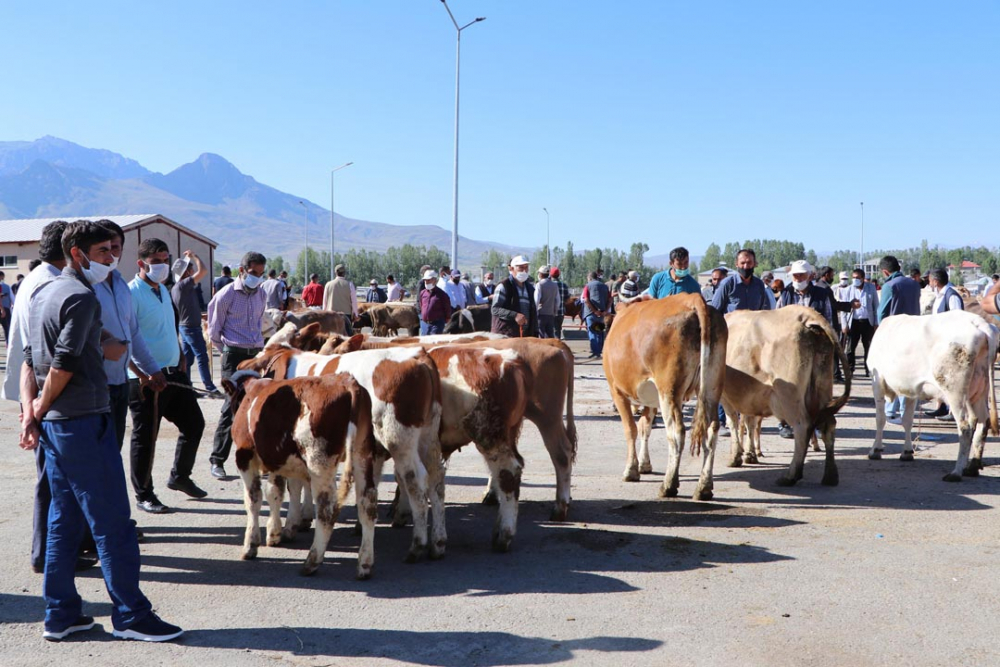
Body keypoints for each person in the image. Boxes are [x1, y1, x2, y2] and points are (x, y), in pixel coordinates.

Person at [19, 220, 183, 642]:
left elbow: (29, 358)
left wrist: (35, 411)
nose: (111, 260)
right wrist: (40, 405)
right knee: (113, 523)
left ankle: (61, 614)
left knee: (65, 520)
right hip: (82, 421)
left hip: (59, 427)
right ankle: (131, 614)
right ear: (77, 254)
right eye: (103, 253)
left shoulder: (42, 292)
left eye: (113, 252)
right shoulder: (81, 296)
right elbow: (64, 362)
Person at [3, 220, 100, 574]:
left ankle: (60, 548)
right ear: (71, 251)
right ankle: (47, 553)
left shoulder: (38, 280)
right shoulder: (51, 285)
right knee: (52, 481)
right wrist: (34, 410)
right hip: (48, 395)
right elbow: (43, 353)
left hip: (39, 392)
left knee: (55, 479)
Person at [128, 239, 208, 513]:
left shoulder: (163, 289)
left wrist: (182, 356)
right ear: (141, 263)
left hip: (175, 374)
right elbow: (126, 339)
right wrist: (142, 373)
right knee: (146, 437)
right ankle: (144, 494)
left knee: (194, 424)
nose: (162, 266)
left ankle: (179, 476)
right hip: (148, 380)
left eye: (165, 259)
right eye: (156, 261)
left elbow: (169, 327)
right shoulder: (131, 294)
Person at [207, 251, 267, 479]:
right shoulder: (226, 295)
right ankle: (217, 460)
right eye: (253, 273)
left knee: (259, 406)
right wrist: (227, 353)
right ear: (242, 271)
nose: (257, 278)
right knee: (231, 406)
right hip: (234, 355)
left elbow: (260, 322)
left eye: (260, 274)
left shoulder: (260, 294)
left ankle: (258, 458)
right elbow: (214, 331)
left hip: (256, 355)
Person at [877, 255, 921, 423]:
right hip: (915, 332)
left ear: (885, 271)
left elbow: (882, 313)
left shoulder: (889, 285)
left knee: (893, 372)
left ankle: (891, 409)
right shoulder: (914, 284)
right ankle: (905, 409)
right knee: (909, 373)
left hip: (896, 334)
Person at [170, 250, 219, 394]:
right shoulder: (184, 285)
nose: (193, 271)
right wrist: (195, 256)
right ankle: (210, 387)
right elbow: (203, 270)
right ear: (186, 272)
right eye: (190, 269)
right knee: (202, 357)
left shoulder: (176, 287)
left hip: (185, 326)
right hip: (191, 327)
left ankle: (187, 387)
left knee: (188, 359)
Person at [924, 268, 965, 421]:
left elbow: (959, 320)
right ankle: (941, 407)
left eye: (930, 281)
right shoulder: (940, 295)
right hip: (940, 343)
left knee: (951, 379)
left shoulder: (951, 296)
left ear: (935, 281)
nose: (929, 284)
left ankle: (952, 411)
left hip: (950, 344)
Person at [840, 269, 878, 378]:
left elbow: (876, 305)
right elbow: (844, 308)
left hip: (867, 322)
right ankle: (849, 370)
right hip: (853, 322)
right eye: (854, 277)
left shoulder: (871, 288)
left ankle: (868, 370)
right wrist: (844, 325)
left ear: (862, 278)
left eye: (857, 278)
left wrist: (876, 322)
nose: (855, 280)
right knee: (850, 348)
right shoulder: (848, 290)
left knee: (868, 347)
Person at [492, 255, 538, 338]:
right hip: (506, 335)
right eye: (520, 268)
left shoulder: (530, 289)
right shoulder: (504, 286)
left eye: (526, 268)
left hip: (525, 335)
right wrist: (514, 315)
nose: (524, 271)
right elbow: (495, 309)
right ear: (511, 269)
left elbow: (533, 312)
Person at [581, 271, 610, 358]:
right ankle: (599, 351)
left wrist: (594, 311)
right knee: (599, 331)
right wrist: (605, 310)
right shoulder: (605, 286)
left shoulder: (588, 286)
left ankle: (595, 352)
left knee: (592, 332)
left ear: (589, 278)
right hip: (602, 313)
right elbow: (610, 299)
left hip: (591, 314)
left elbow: (586, 299)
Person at [322, 264, 358, 333]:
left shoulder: (328, 284)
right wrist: (355, 314)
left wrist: (324, 314)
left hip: (331, 315)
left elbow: (325, 302)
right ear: (344, 273)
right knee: (346, 337)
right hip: (346, 315)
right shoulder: (349, 284)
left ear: (335, 272)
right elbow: (354, 301)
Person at [418, 270, 451, 334]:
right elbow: (421, 305)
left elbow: (447, 309)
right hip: (425, 324)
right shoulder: (423, 293)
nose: (426, 282)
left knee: (433, 342)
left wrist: (445, 320)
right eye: (425, 280)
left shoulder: (442, 294)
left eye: (429, 280)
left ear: (435, 280)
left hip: (437, 325)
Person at [534, 265, 559, 339]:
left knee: (541, 335)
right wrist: (555, 312)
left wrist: (535, 312)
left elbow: (536, 300)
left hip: (541, 314)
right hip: (550, 314)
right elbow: (557, 301)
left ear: (541, 274)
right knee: (550, 335)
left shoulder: (539, 285)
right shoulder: (555, 285)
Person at [550, 267, 570, 339]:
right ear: (559, 275)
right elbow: (567, 299)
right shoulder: (563, 285)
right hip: (561, 311)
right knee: (558, 329)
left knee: (552, 330)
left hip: (550, 311)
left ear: (551, 275)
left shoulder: (550, 284)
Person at [0, 270, 13, 345]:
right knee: (6, 327)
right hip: (4, 308)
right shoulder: (5, 286)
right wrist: (2, 309)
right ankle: (8, 343)